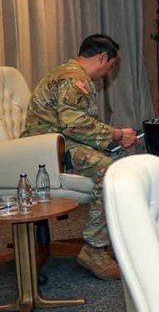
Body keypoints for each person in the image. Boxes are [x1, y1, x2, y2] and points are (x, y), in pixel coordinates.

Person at [22, 33, 138, 279]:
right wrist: (116, 135)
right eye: (111, 66)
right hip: (45, 150)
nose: (108, 72)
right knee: (109, 170)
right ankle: (94, 250)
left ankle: (109, 240)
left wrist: (111, 141)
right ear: (103, 57)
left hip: (57, 143)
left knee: (119, 164)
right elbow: (74, 125)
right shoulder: (74, 78)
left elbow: (74, 126)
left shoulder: (71, 74)